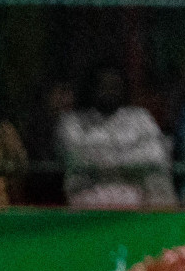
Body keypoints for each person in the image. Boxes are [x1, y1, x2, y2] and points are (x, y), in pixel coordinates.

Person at [59, 65, 178, 209]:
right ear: (92, 88)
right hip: (89, 200)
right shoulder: (72, 121)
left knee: (158, 184)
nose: (109, 91)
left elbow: (155, 156)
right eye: (104, 86)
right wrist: (131, 154)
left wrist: (104, 156)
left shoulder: (141, 117)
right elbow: (79, 158)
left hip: (136, 198)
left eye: (114, 86)